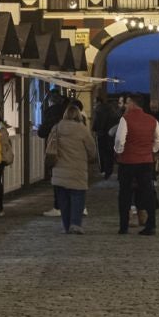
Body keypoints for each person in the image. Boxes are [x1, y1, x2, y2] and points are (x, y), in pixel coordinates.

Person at [45, 99, 100, 233]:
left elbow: (50, 145)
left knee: (63, 200)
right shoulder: (82, 129)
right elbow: (92, 149)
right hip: (78, 169)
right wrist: (90, 158)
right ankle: (75, 223)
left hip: (59, 169)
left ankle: (66, 224)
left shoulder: (56, 127)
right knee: (77, 197)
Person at [113, 93, 159, 235]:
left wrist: (119, 151)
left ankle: (123, 226)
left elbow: (119, 140)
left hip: (128, 161)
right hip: (146, 161)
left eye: (127, 103)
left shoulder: (125, 119)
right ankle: (151, 225)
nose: (126, 106)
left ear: (133, 104)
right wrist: (150, 150)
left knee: (125, 194)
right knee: (148, 193)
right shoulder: (152, 120)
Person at [92, 96, 118, 180]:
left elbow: (96, 123)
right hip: (110, 135)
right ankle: (109, 171)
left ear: (98, 102)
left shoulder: (98, 110)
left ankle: (103, 171)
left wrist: (94, 129)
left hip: (101, 134)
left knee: (102, 153)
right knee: (109, 153)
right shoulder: (112, 110)